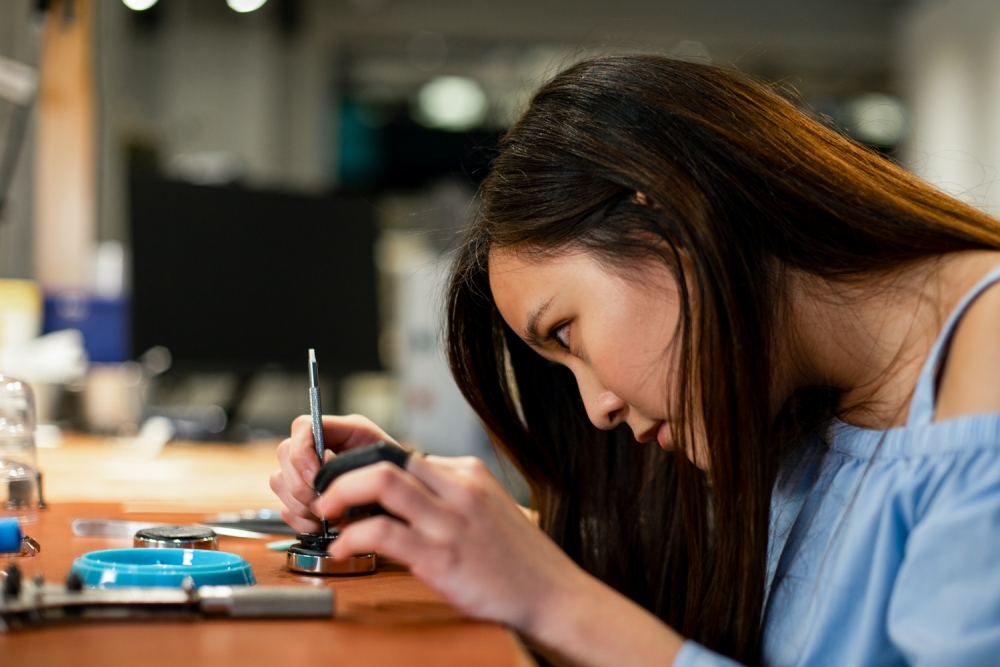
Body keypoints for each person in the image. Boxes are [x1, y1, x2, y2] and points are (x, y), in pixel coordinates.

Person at [270, 55, 1000, 666]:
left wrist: (554, 598)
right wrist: (436, 523)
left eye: (566, 334)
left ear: (660, 213)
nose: (598, 408)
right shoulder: (800, 408)